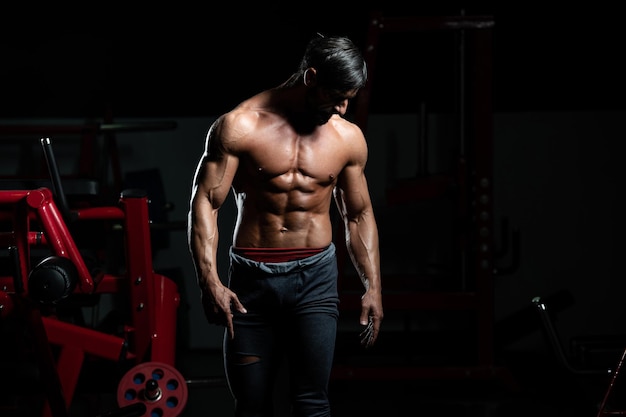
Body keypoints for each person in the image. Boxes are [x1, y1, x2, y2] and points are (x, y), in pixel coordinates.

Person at [187, 34, 383, 417]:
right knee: (252, 405)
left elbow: (358, 214)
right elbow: (206, 203)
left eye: (349, 99)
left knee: (312, 403)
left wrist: (373, 286)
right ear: (311, 78)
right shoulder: (240, 127)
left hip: (316, 279)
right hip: (251, 282)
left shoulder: (347, 139)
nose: (342, 109)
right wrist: (209, 281)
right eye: (336, 96)